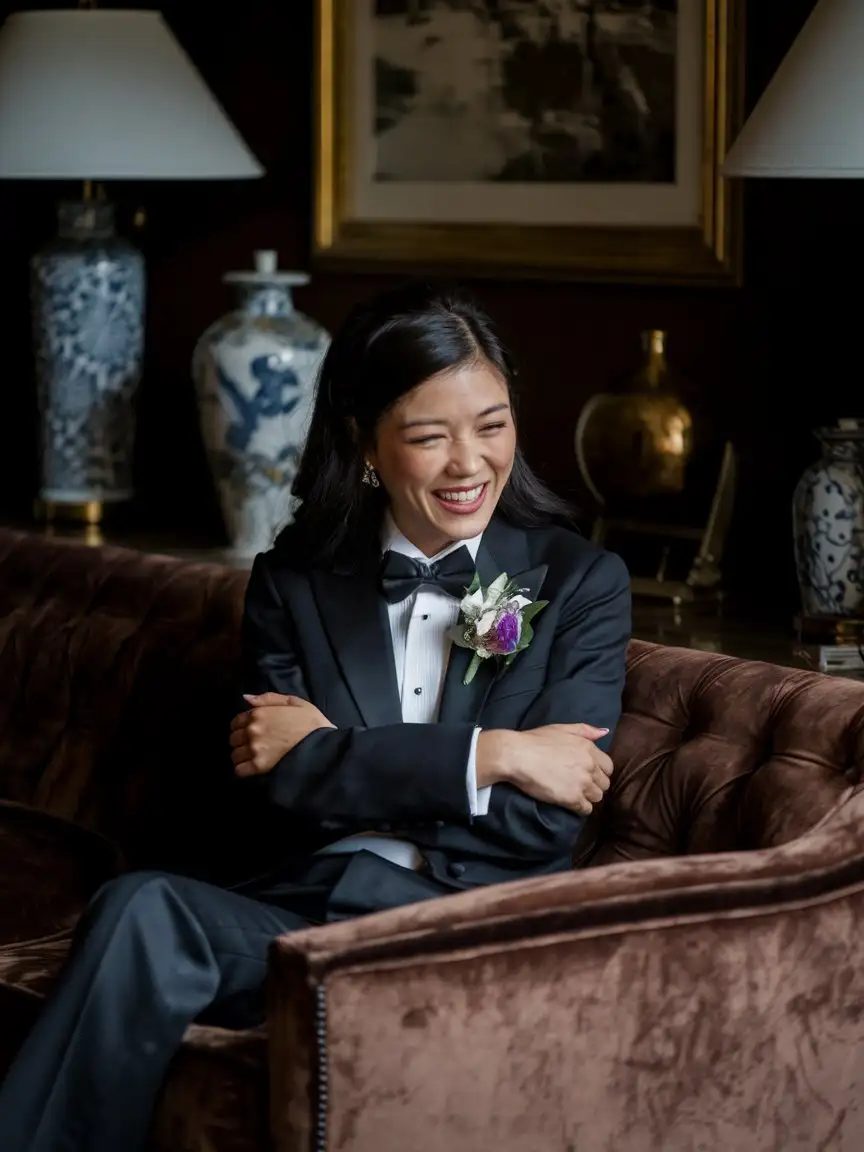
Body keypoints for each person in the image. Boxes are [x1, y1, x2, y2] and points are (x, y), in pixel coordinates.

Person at [0, 280, 631, 1150]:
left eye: (492, 425)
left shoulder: (580, 584)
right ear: (363, 444)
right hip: (302, 911)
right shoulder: (295, 581)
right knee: (140, 906)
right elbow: (279, 787)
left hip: (463, 931)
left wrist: (341, 757)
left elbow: (540, 823)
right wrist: (493, 756)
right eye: (428, 436)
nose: (470, 463)